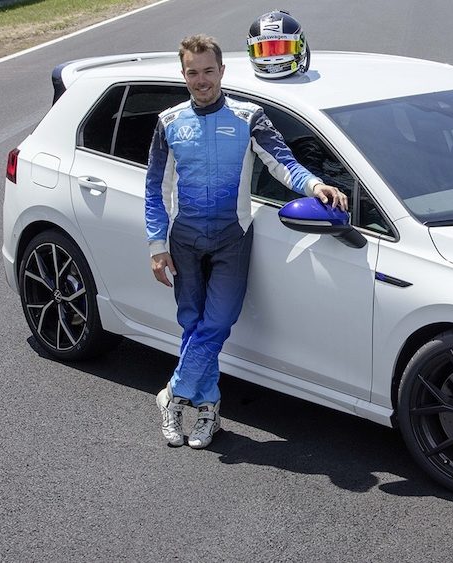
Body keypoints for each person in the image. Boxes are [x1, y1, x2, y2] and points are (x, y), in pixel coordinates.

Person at [145, 33, 347, 449]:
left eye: (208, 71)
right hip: (184, 239)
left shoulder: (248, 117)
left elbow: (283, 163)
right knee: (192, 324)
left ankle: (173, 394)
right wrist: (156, 245)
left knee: (218, 322)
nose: (202, 80)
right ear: (183, 75)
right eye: (193, 73)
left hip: (231, 238)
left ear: (222, 71)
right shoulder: (169, 122)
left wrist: (316, 186)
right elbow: (155, 189)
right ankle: (208, 410)